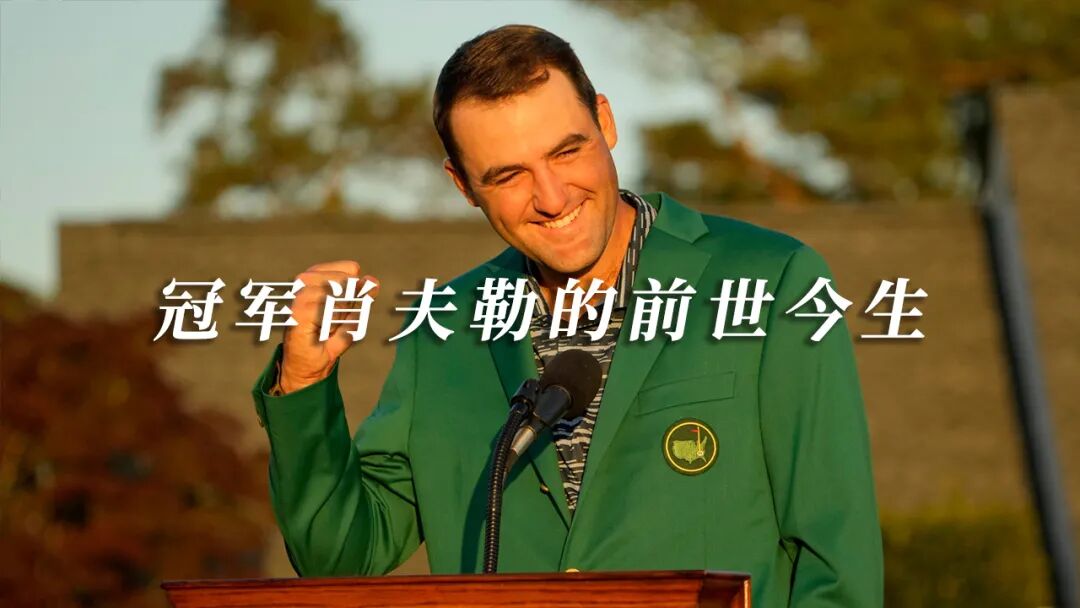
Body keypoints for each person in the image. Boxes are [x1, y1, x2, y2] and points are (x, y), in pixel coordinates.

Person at [251, 24, 883, 607]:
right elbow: (341, 556)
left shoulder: (772, 280)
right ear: (463, 185)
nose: (551, 198)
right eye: (508, 176)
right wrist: (302, 383)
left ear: (605, 120)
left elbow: (836, 561)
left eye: (566, 151)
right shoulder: (444, 327)